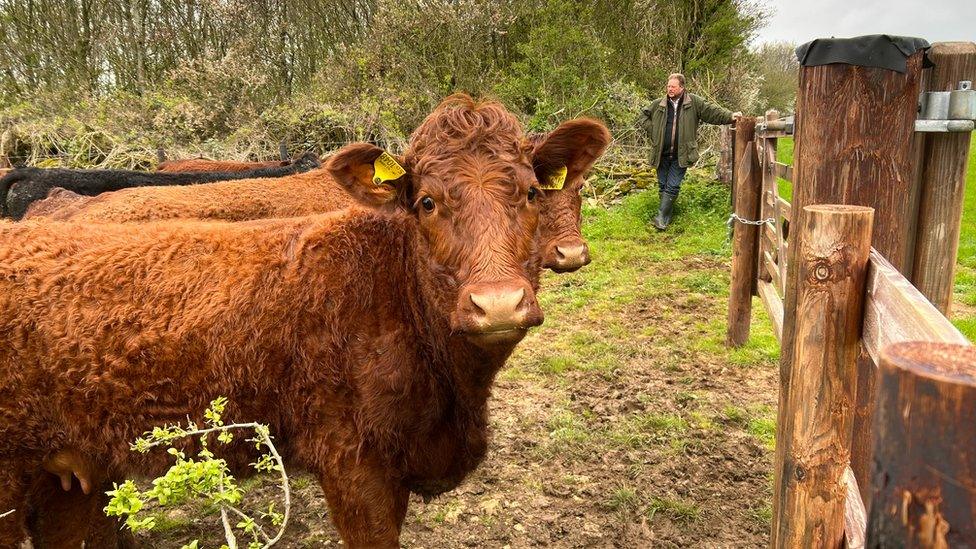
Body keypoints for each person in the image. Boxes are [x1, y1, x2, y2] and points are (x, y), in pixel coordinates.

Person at [637, 73, 741, 230]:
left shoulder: (693, 102)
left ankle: (661, 218)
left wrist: (730, 115)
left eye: (673, 86)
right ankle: (665, 216)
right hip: (661, 153)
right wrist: (653, 130)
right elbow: (642, 116)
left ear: (682, 87)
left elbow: (711, 112)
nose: (670, 89)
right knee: (663, 185)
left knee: (672, 186)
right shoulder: (659, 104)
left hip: (682, 154)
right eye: (668, 86)